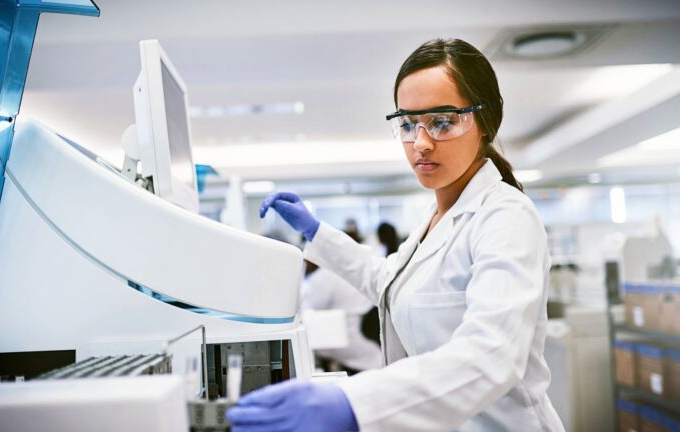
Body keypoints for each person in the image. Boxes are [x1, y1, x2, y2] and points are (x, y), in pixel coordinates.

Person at [227, 38, 564, 431]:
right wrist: (316, 232)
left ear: (485, 122)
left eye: (442, 121)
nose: (420, 143)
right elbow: (386, 282)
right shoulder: (435, 217)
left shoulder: (506, 217)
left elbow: (492, 355)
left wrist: (353, 404)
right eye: (407, 124)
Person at [301, 259, 383, 374]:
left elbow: (303, 311)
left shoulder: (325, 276)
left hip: (353, 345)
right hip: (367, 350)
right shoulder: (342, 270)